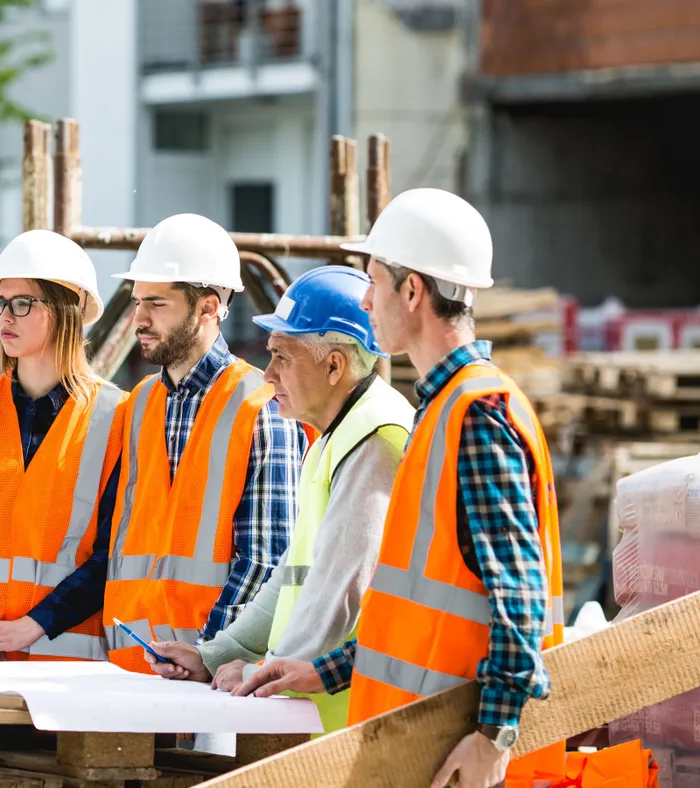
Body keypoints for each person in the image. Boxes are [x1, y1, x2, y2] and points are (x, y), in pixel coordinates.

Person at [233, 189, 567, 788]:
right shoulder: (441, 411)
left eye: (373, 282)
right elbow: (407, 609)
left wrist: (494, 737)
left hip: (454, 747)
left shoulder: (477, 415)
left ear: (412, 291)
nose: (366, 300)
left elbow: (518, 591)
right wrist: (325, 670)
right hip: (416, 738)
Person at [146, 266, 413, 737]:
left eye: (282, 357)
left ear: (334, 366)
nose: (267, 375)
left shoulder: (375, 439)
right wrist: (217, 656)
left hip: (354, 728)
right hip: (322, 718)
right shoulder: (335, 437)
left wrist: (263, 673)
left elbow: (338, 594)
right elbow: (291, 579)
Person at [103, 213, 308, 676]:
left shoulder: (262, 406)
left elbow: (265, 559)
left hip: (215, 676)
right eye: (137, 302)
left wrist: (209, 654)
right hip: (129, 669)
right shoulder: (138, 405)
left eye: (156, 303)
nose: (139, 319)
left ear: (208, 308)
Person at [0, 230, 124, 662]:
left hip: (65, 670)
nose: (4, 318)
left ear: (65, 309)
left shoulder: (118, 417)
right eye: (0, 303)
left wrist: (31, 627)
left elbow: (113, 554)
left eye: (21, 303)